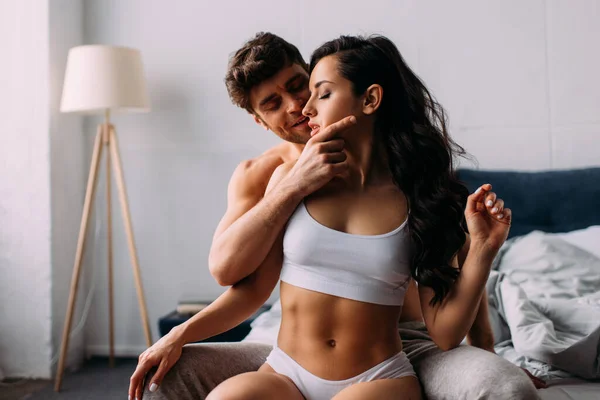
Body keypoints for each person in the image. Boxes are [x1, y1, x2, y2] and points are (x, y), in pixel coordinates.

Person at [129, 33, 543, 400]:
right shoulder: (277, 177)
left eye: (306, 89)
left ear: (370, 99)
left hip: (382, 367)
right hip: (287, 367)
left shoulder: (418, 191)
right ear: (260, 120)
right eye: (275, 103)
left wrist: (488, 345)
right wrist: (177, 334)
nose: (300, 107)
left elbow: (449, 309)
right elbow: (241, 281)